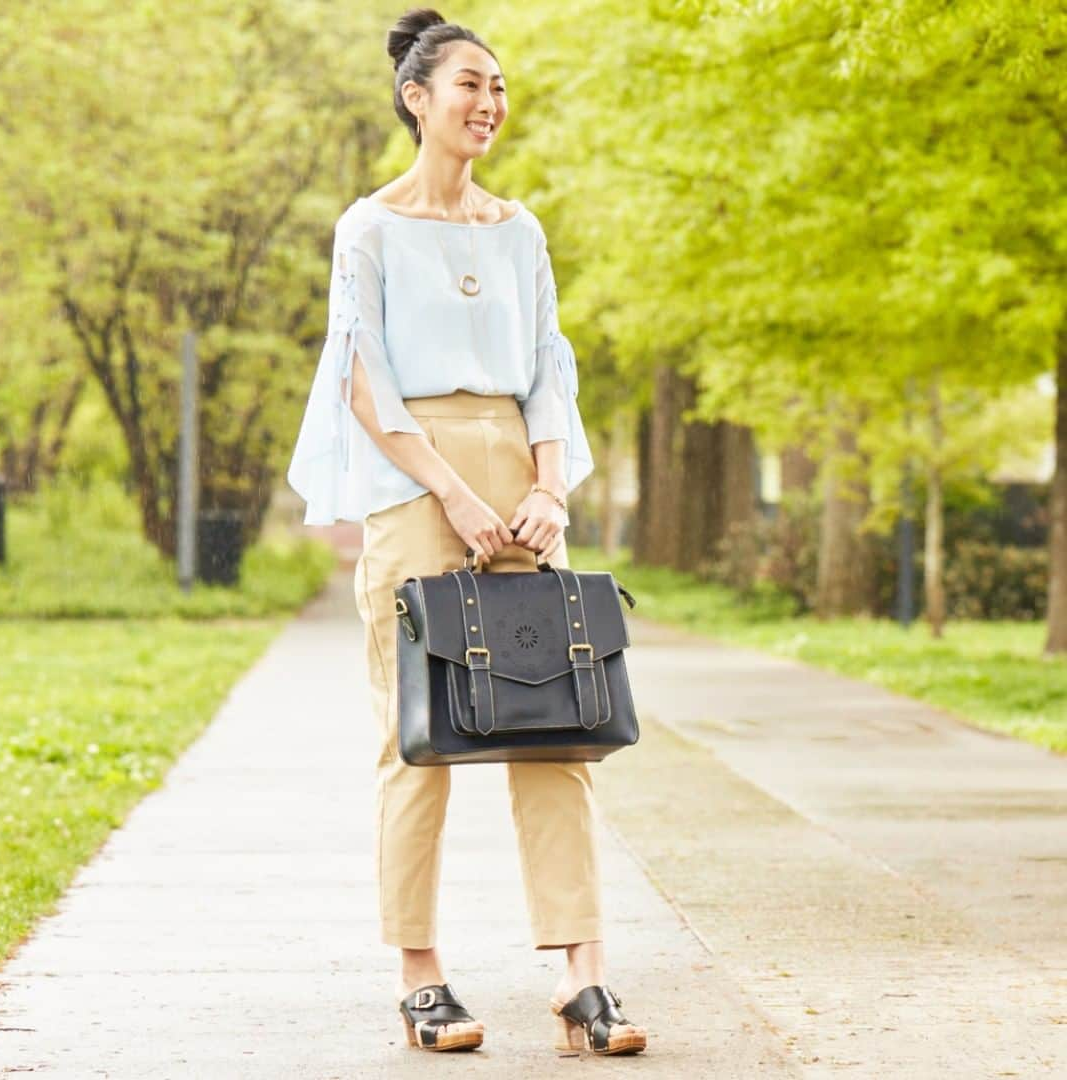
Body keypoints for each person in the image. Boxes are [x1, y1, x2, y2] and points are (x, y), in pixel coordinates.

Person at [286, 6, 648, 1058]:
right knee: (419, 740)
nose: (489, 104)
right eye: (469, 86)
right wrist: (451, 492)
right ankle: (422, 977)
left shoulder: (520, 229)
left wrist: (551, 493)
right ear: (417, 98)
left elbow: (549, 364)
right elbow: (361, 380)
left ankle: (584, 980)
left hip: (522, 484)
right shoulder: (370, 228)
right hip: (414, 486)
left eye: (499, 89)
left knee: (561, 726)